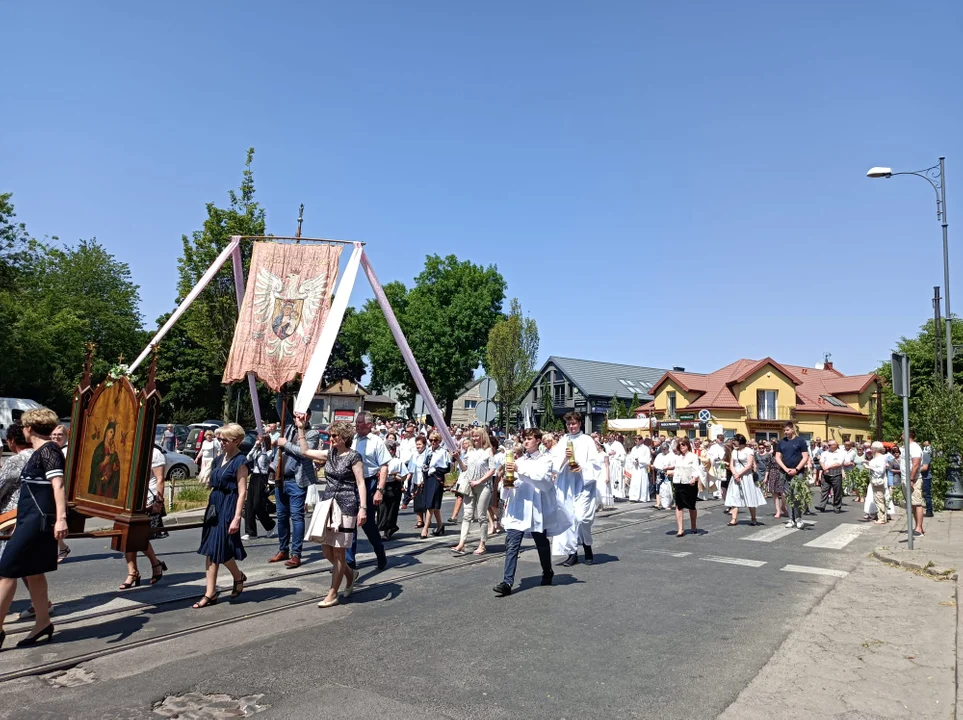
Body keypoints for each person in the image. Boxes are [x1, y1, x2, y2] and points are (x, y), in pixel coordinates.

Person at [0, 408, 69, 648]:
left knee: (7, 569)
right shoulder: (40, 452)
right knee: (33, 571)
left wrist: (61, 519)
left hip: (37, 522)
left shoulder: (49, 451)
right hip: (29, 519)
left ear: (29, 428)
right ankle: (43, 623)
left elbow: (58, 485)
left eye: (23, 427)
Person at [493, 428, 573, 596]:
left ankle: (547, 571)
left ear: (538, 441)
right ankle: (507, 582)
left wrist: (518, 470)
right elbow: (514, 485)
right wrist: (507, 482)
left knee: (541, 542)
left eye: (529, 439)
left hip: (536, 509)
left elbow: (543, 481)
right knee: (512, 544)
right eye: (524, 439)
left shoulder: (546, 460)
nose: (526, 442)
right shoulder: (519, 460)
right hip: (518, 509)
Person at [299, 418, 368, 608]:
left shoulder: (354, 457)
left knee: (339, 551)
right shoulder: (330, 453)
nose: (331, 438)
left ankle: (332, 593)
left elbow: (360, 483)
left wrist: (363, 508)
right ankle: (350, 574)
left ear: (344, 437)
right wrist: (300, 429)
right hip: (328, 504)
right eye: (330, 435)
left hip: (346, 505)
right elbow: (305, 452)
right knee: (326, 549)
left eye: (334, 435)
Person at [194, 424, 248, 608]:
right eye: (220, 439)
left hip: (229, 505)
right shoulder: (218, 459)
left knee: (220, 547)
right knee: (211, 548)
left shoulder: (240, 461)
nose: (221, 442)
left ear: (237, 441)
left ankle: (237, 577)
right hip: (215, 505)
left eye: (225, 439)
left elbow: (242, 492)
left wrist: (237, 517)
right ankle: (211, 592)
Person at [551, 412, 602, 567]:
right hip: (566, 485)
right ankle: (572, 553)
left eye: (574, 423)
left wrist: (580, 466)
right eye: (568, 424)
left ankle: (587, 545)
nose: (571, 427)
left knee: (581, 518)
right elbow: (554, 462)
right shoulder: (563, 440)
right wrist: (565, 458)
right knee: (568, 518)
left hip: (583, 484)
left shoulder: (587, 440)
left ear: (580, 423)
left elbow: (595, 464)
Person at [271, 416, 320, 569]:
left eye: (301, 416)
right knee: (281, 516)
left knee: (297, 517)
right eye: (295, 416)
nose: (296, 419)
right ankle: (283, 549)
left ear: (309, 416)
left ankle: (296, 554)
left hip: (297, 481)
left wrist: (285, 444)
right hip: (281, 479)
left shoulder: (312, 433)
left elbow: (304, 452)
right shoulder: (288, 429)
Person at [120, 443, 169, 589]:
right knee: (127, 536)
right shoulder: (129, 449)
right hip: (129, 500)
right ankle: (135, 570)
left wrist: (158, 501)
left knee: (136, 536)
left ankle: (150, 565)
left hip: (148, 500)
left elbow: (160, 479)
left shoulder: (154, 452)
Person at [346, 411, 389, 571]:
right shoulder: (352, 440)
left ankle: (379, 551)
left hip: (369, 483)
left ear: (369, 425)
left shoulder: (377, 442)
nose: (356, 425)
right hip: (351, 484)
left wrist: (379, 490)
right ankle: (349, 563)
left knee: (367, 523)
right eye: (356, 422)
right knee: (349, 522)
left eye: (359, 422)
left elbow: (384, 466)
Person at [450, 428, 496, 556]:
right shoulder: (470, 451)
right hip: (470, 486)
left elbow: (492, 470)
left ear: (483, 437)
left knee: (481, 515)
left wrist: (479, 481)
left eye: (477, 436)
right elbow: (464, 468)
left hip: (484, 486)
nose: (475, 438)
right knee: (467, 515)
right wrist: (458, 459)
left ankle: (482, 543)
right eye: (473, 436)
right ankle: (461, 543)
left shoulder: (488, 451)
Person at [725, 434, 766, 526]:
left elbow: (749, 465)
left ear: (740, 441)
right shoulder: (734, 451)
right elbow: (731, 464)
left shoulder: (749, 451)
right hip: (735, 476)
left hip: (746, 476)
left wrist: (739, 474)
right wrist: (735, 474)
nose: (733, 442)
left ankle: (753, 518)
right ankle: (734, 519)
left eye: (735, 440)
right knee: (734, 496)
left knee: (749, 496)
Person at [775, 422, 810, 529]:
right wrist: (785, 469)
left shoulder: (800, 441)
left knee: (796, 494)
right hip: (785, 472)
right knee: (788, 495)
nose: (785, 432)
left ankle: (799, 518)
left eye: (787, 430)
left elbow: (805, 457)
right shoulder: (781, 442)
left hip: (797, 472)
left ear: (792, 429)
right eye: (784, 430)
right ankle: (791, 519)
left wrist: (797, 469)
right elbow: (777, 457)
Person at [243, 436, 277, 540]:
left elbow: (265, 461)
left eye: (260, 440)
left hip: (262, 477)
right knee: (249, 504)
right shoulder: (257, 450)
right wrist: (255, 446)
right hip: (254, 476)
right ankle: (251, 532)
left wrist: (262, 448)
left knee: (257, 504)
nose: (258, 441)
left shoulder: (270, 451)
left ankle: (270, 525)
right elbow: (248, 458)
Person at [417, 432, 450, 539]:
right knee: (432, 503)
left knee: (430, 504)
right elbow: (425, 464)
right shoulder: (428, 451)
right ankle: (440, 525)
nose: (433, 442)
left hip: (436, 478)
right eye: (431, 440)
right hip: (428, 478)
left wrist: (436, 470)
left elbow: (447, 467)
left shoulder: (443, 452)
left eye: (435, 440)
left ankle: (425, 528)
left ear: (439, 441)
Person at [48, 424, 72, 563]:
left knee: (54, 521)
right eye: (54, 434)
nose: (56, 437)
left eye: (60, 435)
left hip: (60, 489)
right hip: (51, 488)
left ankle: (61, 548)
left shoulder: (66, 451)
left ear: (66, 436)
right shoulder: (51, 449)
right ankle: (62, 547)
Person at [668, 438, 700, 536]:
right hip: (678, 482)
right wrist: (670, 472)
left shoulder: (693, 456)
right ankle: (680, 529)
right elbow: (676, 469)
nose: (681, 447)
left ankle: (693, 526)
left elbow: (696, 469)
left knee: (691, 506)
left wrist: (694, 478)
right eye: (680, 445)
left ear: (688, 446)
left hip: (689, 483)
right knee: (679, 505)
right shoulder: (677, 457)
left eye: (683, 445)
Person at [378, 440, 407, 539]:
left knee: (391, 510)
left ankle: (388, 530)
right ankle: (383, 527)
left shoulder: (397, 461)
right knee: (382, 509)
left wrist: (394, 476)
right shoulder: (381, 461)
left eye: (390, 449)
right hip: (383, 486)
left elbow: (404, 476)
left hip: (394, 486)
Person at [447, 436, 473, 523]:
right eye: (464, 444)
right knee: (459, 496)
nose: (465, 445)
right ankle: (454, 515)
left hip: (469, 477)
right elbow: (460, 468)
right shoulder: (462, 454)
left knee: (470, 498)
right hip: (462, 478)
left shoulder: (471, 454)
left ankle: (470, 515)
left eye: (467, 443)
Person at [816, 439, 845, 513]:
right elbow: (821, 461)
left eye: (829, 445)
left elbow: (839, 463)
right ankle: (822, 506)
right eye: (827, 445)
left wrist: (828, 467)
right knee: (824, 491)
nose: (828, 446)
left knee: (837, 492)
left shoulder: (841, 453)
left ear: (835, 445)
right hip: (826, 475)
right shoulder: (825, 453)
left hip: (836, 474)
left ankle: (837, 507)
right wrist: (824, 468)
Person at [904, 431, 924, 536]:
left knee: (917, 503)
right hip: (906, 478)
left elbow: (916, 464)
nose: (901, 436)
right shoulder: (907, 447)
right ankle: (917, 527)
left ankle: (919, 528)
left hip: (914, 479)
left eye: (902, 434)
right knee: (912, 504)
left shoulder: (914, 447)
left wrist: (911, 479)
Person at [866, 442, 889, 524]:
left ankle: (881, 518)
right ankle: (882, 516)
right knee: (879, 499)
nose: (871, 450)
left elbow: (880, 471)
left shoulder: (880, 458)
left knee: (879, 499)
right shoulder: (878, 458)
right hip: (876, 480)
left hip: (878, 480)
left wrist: (869, 467)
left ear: (875, 449)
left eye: (872, 448)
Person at [627, 437, 651, 503]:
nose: (635, 442)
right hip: (635, 468)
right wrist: (633, 460)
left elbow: (648, 459)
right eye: (635, 441)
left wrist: (639, 461)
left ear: (641, 440)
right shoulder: (634, 448)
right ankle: (634, 496)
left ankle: (642, 497)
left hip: (642, 468)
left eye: (637, 440)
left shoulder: (645, 448)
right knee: (634, 483)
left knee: (642, 483)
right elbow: (631, 457)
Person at [595, 436, 614, 510]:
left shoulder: (604, 455)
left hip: (603, 472)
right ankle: (598, 503)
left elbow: (607, 466)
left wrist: (607, 476)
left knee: (603, 487)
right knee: (598, 488)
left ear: (599, 446)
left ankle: (602, 503)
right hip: (597, 473)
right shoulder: (596, 454)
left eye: (596, 445)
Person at [921, 440, 934, 518]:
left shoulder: (926, 455)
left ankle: (929, 511)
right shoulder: (924, 454)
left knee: (927, 495)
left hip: (926, 478)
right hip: (923, 477)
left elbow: (925, 468)